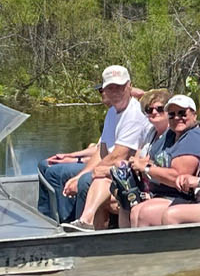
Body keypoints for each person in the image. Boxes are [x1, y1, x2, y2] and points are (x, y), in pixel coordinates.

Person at [44, 65, 155, 223]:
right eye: (110, 88)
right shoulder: (112, 112)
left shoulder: (134, 112)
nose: (115, 92)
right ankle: (57, 222)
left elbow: (118, 155)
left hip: (122, 171)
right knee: (50, 170)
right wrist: (81, 173)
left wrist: (84, 175)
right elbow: (101, 152)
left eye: (120, 87)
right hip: (109, 166)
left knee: (85, 181)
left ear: (129, 86)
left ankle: (83, 226)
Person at [64, 89, 174, 231]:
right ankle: (86, 222)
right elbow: (135, 160)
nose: (154, 112)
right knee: (101, 180)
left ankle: (105, 234)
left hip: (153, 188)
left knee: (99, 186)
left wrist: (119, 167)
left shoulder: (172, 136)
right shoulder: (149, 134)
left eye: (159, 109)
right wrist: (119, 166)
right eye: (149, 109)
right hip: (140, 182)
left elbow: (148, 165)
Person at [123, 94, 200, 227]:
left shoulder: (194, 138)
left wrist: (147, 168)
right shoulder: (169, 135)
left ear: (193, 114)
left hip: (183, 198)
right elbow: (151, 160)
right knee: (133, 208)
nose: (177, 118)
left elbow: (177, 177)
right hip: (158, 192)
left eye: (182, 113)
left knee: (145, 213)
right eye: (171, 114)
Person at [37, 88, 105, 222]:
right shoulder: (112, 116)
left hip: (100, 165)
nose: (104, 93)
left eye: (106, 90)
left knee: (55, 172)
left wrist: (77, 160)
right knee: (44, 164)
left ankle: (64, 221)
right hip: (93, 160)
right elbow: (97, 149)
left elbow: (104, 155)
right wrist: (70, 156)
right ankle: (44, 216)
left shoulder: (126, 116)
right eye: (101, 91)